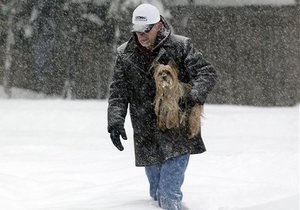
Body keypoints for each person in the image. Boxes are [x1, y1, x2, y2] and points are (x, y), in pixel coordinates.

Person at [107, 3, 217, 210]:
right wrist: (115, 121)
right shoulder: (124, 54)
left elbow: (207, 73)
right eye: (137, 30)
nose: (141, 35)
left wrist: (193, 96)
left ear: (159, 24)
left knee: (168, 196)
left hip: (176, 126)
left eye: (146, 29)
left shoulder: (181, 46)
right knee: (156, 192)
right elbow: (118, 92)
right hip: (145, 129)